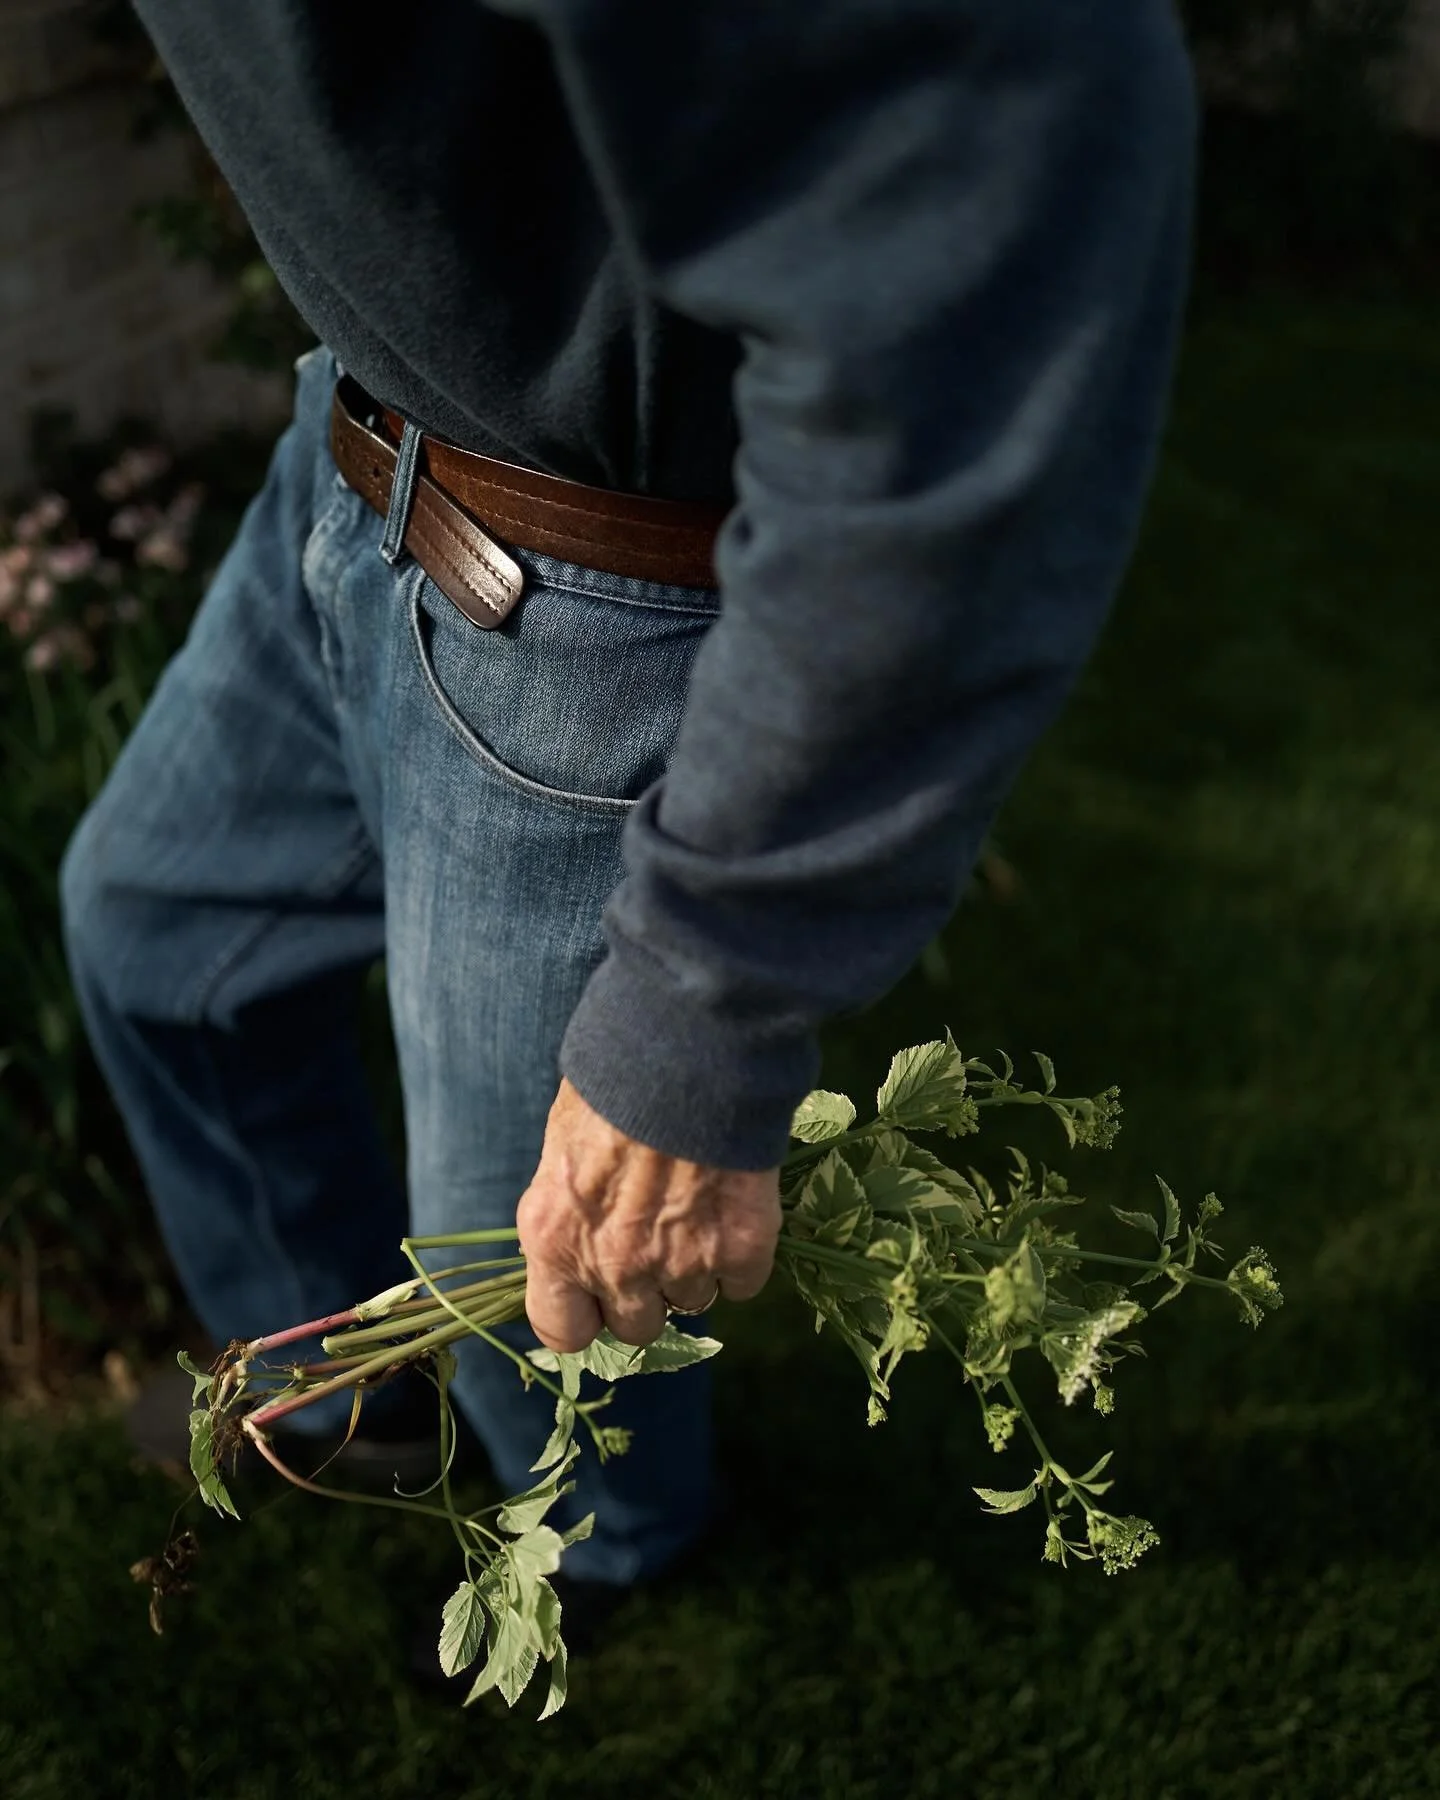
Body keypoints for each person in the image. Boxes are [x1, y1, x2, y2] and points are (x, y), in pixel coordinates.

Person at [60, 1, 1198, 1617]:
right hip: (357, 449)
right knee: (161, 938)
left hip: (588, 601)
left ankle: (610, 1544)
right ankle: (343, 1395)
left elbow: (984, 228)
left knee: (541, 1271)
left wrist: (703, 1004)